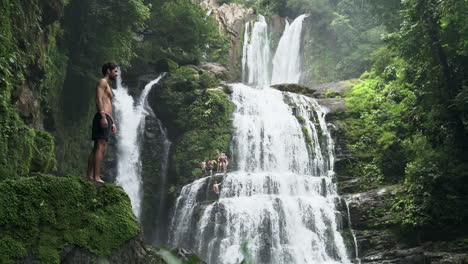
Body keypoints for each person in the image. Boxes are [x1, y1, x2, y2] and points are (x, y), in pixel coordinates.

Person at [87, 62, 118, 183]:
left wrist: (113, 122)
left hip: (107, 117)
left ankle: (90, 176)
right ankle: (96, 177)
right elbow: (98, 99)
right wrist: (103, 116)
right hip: (103, 116)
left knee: (97, 148)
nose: (117, 74)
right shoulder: (102, 82)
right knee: (101, 147)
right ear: (108, 71)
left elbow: (108, 103)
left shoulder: (108, 86)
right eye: (115, 71)